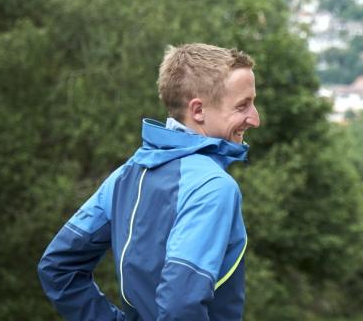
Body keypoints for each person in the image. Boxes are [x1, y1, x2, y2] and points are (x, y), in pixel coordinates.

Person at [38, 43, 262, 320]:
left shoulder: (125, 175)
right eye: (242, 105)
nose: (255, 119)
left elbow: (58, 268)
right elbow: (180, 307)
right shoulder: (213, 187)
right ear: (198, 110)